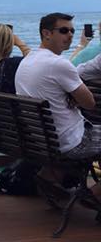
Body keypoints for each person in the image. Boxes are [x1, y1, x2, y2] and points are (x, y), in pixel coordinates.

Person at [15, 14, 101, 188]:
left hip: (44, 139)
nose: (69, 35)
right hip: (72, 142)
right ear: (46, 33)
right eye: (63, 30)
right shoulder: (58, 64)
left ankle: (48, 178)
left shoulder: (27, 61)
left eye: (72, 31)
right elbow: (89, 103)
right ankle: (94, 195)